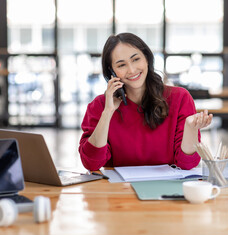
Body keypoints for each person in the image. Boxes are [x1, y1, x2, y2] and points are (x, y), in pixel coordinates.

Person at [79, 32, 213, 171]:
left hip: (166, 189)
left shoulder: (180, 98)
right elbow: (92, 163)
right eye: (121, 65)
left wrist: (191, 128)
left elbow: (188, 164)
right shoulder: (100, 106)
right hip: (119, 190)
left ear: (147, 59)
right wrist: (107, 113)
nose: (131, 70)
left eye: (136, 59)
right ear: (112, 72)